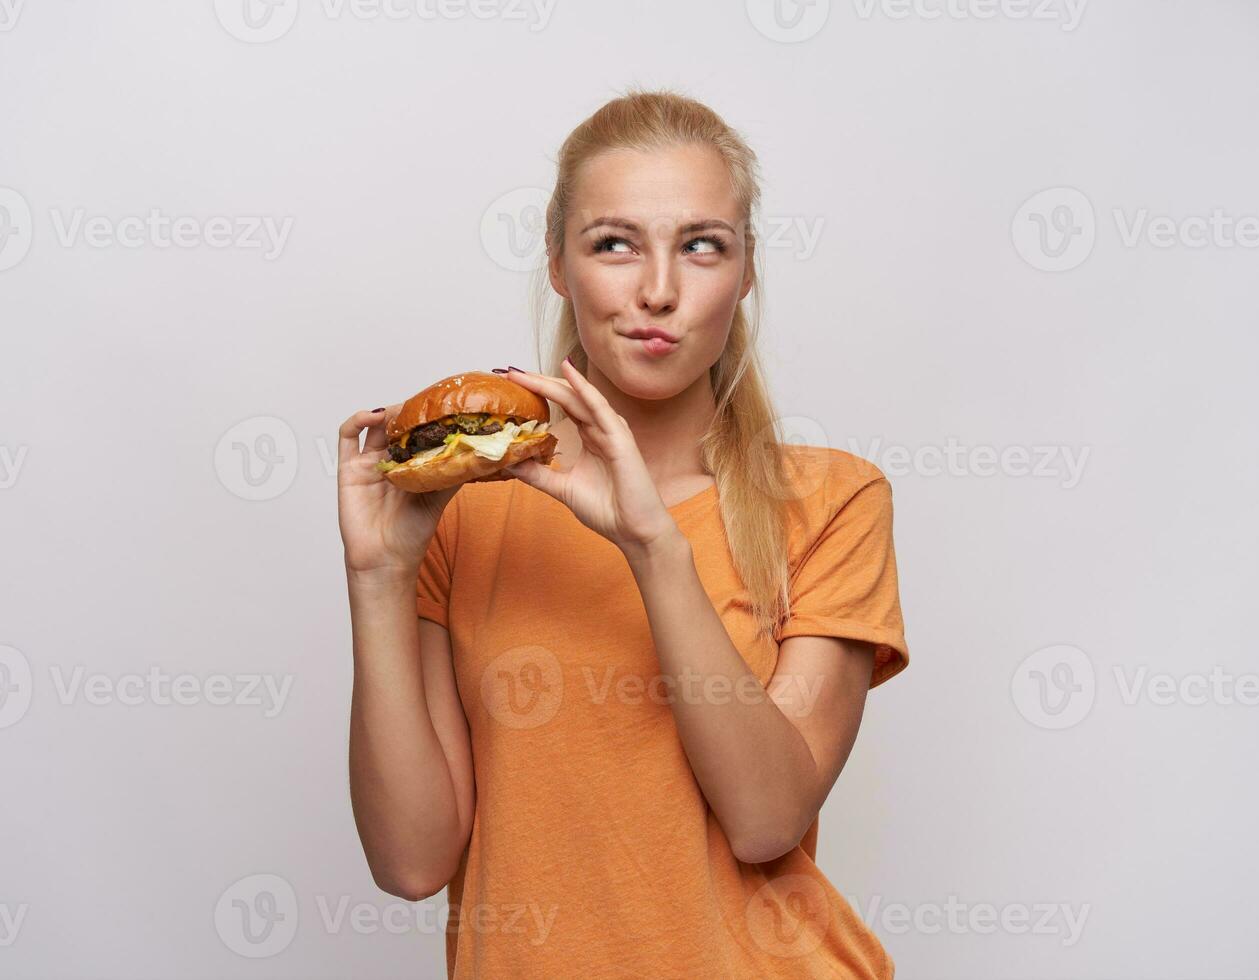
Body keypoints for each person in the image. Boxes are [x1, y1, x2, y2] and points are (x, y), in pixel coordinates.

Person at [338, 88, 911, 979]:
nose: (657, 290)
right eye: (615, 244)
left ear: (747, 270)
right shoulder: (465, 512)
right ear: (561, 265)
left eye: (702, 246)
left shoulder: (831, 499)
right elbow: (412, 863)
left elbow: (767, 818)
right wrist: (378, 579)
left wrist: (653, 545)